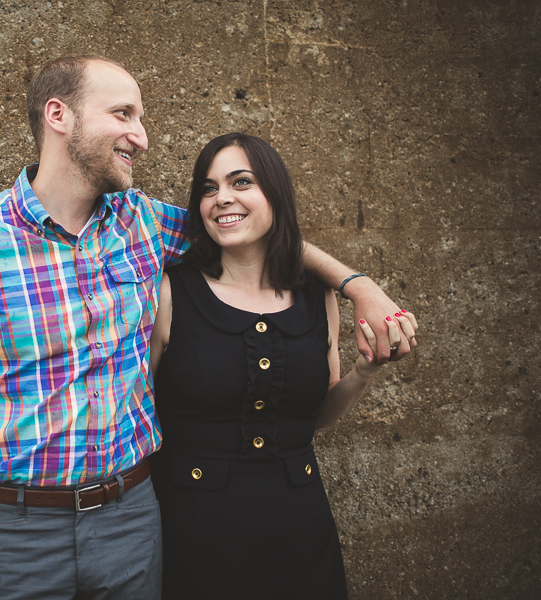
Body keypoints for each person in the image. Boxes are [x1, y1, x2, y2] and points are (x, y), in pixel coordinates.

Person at [0, 57, 416, 599]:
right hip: (14, 532)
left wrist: (359, 287)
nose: (143, 136)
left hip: (131, 520)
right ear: (59, 115)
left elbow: (252, 229)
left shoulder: (143, 223)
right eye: (124, 114)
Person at [149, 133, 418, 599]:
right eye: (209, 189)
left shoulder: (318, 296)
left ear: (275, 193)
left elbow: (312, 418)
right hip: (195, 528)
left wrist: (365, 372)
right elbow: (138, 407)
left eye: (241, 182)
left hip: (300, 524)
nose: (223, 198)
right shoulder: (170, 293)